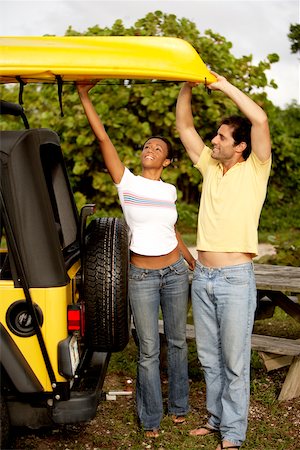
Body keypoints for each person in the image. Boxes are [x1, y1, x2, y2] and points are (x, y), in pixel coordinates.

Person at [77, 83, 196, 438]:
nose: (151, 150)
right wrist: (85, 95)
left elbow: (171, 229)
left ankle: (179, 406)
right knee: (147, 349)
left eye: (158, 148)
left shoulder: (170, 191)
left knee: (176, 341)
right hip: (142, 277)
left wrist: (191, 261)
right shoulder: (127, 182)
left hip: (175, 272)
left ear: (168, 161)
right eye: (147, 146)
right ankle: (150, 418)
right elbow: (102, 139)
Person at [176, 72, 272, 450]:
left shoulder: (255, 169)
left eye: (221, 137)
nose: (213, 140)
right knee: (210, 358)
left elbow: (260, 119)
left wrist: (222, 85)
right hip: (203, 276)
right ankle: (217, 420)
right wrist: (187, 84)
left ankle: (233, 433)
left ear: (241, 147)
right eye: (214, 135)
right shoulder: (210, 167)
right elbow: (184, 125)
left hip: (235, 278)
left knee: (234, 361)